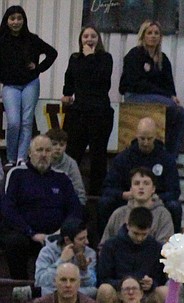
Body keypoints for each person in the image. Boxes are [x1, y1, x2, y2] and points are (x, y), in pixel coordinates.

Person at [0, 135, 84, 279]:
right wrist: (30, 233)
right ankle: (22, 286)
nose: (43, 155)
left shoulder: (62, 178)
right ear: (29, 153)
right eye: (39, 150)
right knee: (14, 241)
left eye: (47, 151)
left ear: (52, 154)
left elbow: (75, 209)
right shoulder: (16, 174)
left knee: (76, 236)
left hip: (56, 234)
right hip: (24, 233)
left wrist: (61, 231)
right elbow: (8, 209)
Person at [98, 117, 182, 235]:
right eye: (142, 138)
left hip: (156, 201)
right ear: (136, 135)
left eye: (149, 138)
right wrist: (123, 195)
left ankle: (174, 245)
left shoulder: (166, 159)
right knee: (105, 202)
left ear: (156, 136)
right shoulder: (123, 158)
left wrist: (155, 197)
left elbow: (174, 191)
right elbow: (107, 187)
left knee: (174, 206)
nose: (146, 142)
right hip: (129, 200)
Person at [118, 20, 184, 157]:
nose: (153, 36)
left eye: (156, 33)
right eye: (149, 33)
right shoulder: (134, 55)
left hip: (158, 97)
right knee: (169, 104)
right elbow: (136, 83)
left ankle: (170, 156)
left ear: (160, 37)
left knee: (183, 115)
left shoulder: (163, 59)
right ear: (143, 36)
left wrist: (173, 95)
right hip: (134, 95)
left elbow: (169, 84)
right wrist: (166, 96)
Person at [61, 25, 113, 198]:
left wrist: (91, 57)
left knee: (98, 155)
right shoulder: (75, 58)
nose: (89, 39)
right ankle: (69, 190)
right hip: (79, 111)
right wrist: (67, 94)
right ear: (80, 40)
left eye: (93, 36)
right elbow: (69, 78)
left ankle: (96, 193)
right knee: (73, 153)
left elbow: (101, 80)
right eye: (86, 36)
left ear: (98, 39)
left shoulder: (105, 58)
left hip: (100, 112)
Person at [0, 5, 56, 165]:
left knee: (26, 122)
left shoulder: (32, 39)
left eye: (19, 18)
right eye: (12, 18)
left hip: (30, 84)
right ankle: (11, 158)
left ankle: (22, 158)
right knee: (13, 122)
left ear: (24, 20)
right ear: (7, 21)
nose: (16, 22)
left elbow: (52, 53)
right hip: (10, 86)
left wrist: (38, 68)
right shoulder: (2, 40)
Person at [96, 207, 166, 303]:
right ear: (128, 225)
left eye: (144, 234)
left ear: (150, 230)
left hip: (144, 295)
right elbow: (102, 278)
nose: (139, 238)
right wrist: (125, 284)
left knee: (164, 292)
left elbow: (160, 279)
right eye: (136, 233)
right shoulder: (111, 245)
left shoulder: (156, 247)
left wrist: (151, 284)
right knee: (105, 290)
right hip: (118, 293)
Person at [101, 168, 175, 245]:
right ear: (131, 188)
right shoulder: (119, 214)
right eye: (136, 183)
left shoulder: (163, 215)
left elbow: (166, 248)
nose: (141, 187)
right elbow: (104, 245)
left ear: (153, 189)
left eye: (146, 183)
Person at [33, 219, 97, 298]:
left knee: (93, 291)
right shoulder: (47, 252)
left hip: (77, 294)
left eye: (86, 237)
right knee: (43, 290)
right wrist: (61, 261)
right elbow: (39, 282)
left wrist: (84, 270)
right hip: (54, 295)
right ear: (67, 240)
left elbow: (92, 284)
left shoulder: (89, 253)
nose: (87, 242)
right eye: (81, 239)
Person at [46, 129, 86, 204]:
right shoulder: (41, 161)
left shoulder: (71, 164)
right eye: (54, 144)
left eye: (62, 145)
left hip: (65, 205)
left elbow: (79, 193)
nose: (58, 148)